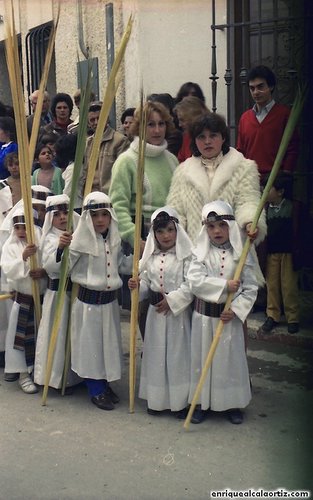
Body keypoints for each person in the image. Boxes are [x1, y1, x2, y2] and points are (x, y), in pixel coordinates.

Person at [187, 200, 258, 424]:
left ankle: (231, 403)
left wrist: (236, 309)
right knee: (202, 360)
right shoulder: (199, 254)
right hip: (204, 319)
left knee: (229, 361)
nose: (217, 231)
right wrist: (225, 286)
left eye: (222, 225)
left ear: (231, 226)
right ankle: (201, 402)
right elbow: (195, 282)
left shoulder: (242, 254)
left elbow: (250, 287)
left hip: (229, 320)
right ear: (205, 229)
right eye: (211, 226)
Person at [128, 207, 193, 417]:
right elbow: (147, 281)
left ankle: (179, 402)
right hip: (155, 315)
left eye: (170, 230)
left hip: (177, 315)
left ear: (177, 230)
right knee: (156, 354)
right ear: (153, 234)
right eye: (160, 232)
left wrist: (172, 300)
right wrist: (138, 285)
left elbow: (191, 284)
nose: (166, 236)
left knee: (177, 356)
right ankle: (156, 400)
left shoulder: (186, 257)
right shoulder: (151, 258)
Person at [69, 191, 131, 410]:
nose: (101, 220)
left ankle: (104, 383)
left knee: (108, 346)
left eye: (105, 214)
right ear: (87, 218)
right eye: (95, 215)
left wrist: (134, 256)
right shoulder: (79, 243)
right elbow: (62, 268)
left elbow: (121, 266)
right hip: (88, 305)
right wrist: (61, 250)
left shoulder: (114, 240)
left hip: (109, 304)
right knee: (91, 347)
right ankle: (95, 388)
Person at [167, 112, 266, 245]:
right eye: (201, 137)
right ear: (194, 141)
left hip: (232, 252)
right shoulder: (183, 172)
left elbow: (247, 201)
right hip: (195, 254)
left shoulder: (243, 167)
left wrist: (250, 222)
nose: (207, 141)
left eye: (213, 135)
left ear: (223, 137)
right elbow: (176, 210)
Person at [109, 100, 178, 251]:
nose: (157, 130)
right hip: (140, 236)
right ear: (139, 127)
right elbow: (118, 205)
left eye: (161, 124)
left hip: (171, 235)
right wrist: (133, 237)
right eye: (151, 124)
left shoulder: (172, 160)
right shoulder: (126, 161)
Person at [34, 194, 80, 390]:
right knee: (57, 334)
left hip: (75, 294)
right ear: (50, 217)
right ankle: (54, 378)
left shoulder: (77, 233)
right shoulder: (50, 238)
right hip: (57, 295)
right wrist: (61, 248)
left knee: (72, 335)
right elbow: (51, 266)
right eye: (58, 214)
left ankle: (73, 378)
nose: (62, 217)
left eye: (66, 213)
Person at [0, 207, 46, 393]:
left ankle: (37, 371)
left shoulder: (41, 243)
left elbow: (49, 264)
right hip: (23, 301)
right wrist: (23, 258)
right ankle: (23, 375)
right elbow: (8, 269)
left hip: (41, 301)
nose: (21, 231)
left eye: (25, 227)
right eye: (17, 227)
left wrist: (42, 271)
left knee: (39, 339)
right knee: (20, 340)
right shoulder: (10, 247)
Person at [237, 65, 299, 180]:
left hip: (276, 180)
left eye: (260, 86)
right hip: (250, 180)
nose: (256, 92)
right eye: (252, 88)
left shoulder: (284, 114)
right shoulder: (245, 118)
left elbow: (292, 148)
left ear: (271, 86)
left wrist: (284, 176)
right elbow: (241, 151)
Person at [260, 173, 299, 334]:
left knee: (288, 285)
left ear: (280, 191)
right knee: (272, 285)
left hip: (288, 254)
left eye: (269, 189)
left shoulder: (292, 207)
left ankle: (293, 317)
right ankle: (273, 315)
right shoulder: (265, 209)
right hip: (271, 254)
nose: (264, 192)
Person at [79, 101, 130, 196]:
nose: (96, 122)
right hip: (91, 196)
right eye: (92, 120)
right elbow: (86, 171)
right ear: (88, 123)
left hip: (111, 196)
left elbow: (123, 174)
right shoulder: (88, 143)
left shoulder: (120, 140)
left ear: (106, 118)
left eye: (99, 118)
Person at [173, 96, 209, 162]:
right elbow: (180, 162)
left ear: (193, 118)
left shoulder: (211, 138)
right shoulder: (187, 137)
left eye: (182, 120)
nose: (179, 125)